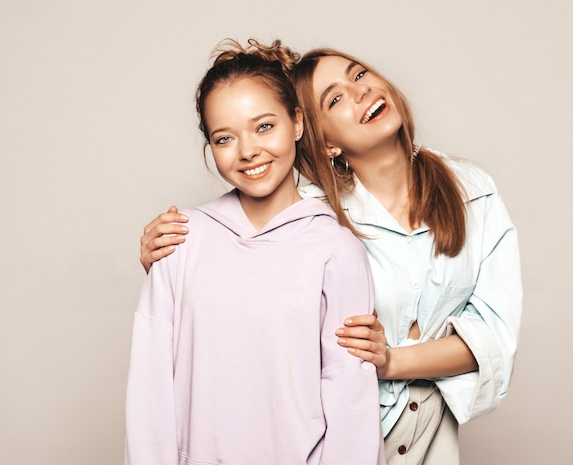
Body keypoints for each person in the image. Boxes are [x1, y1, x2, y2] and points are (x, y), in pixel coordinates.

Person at [139, 41, 522, 465]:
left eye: (358, 74)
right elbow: (240, 303)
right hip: (337, 435)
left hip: (431, 431)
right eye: (336, 98)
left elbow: (494, 336)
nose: (359, 92)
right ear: (323, 143)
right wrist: (174, 261)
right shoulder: (309, 218)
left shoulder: (472, 191)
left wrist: (392, 360)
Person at [125, 39, 385, 465]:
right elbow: (151, 392)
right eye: (225, 137)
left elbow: (349, 397)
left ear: (297, 123)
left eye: (265, 126)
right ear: (210, 145)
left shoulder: (336, 250)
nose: (248, 151)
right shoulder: (178, 241)